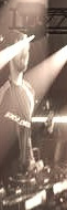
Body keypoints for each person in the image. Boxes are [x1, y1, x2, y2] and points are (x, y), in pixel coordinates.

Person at [0, 31, 35, 174]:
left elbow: (26, 131)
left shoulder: (30, 92)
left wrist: (31, 158)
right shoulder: (2, 91)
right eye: (21, 49)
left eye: (27, 49)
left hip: (21, 177)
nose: (25, 54)